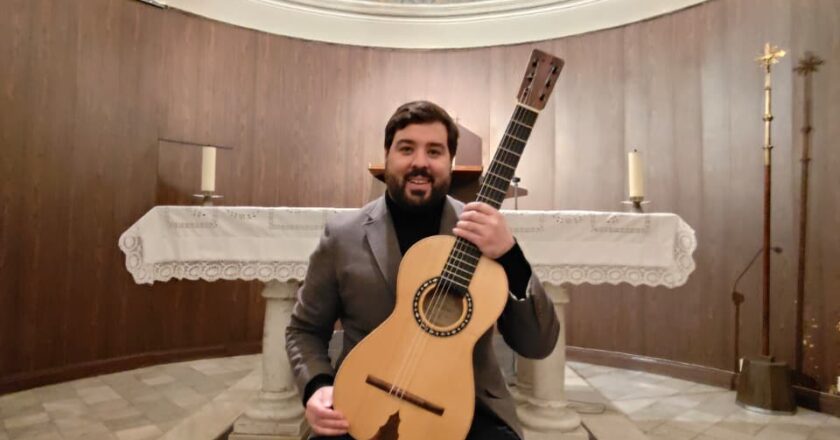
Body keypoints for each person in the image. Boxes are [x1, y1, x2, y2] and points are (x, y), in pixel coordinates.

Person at [285, 100, 559, 440]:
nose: (420, 163)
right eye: (406, 149)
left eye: (434, 151)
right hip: (363, 398)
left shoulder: (485, 236)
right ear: (387, 156)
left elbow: (538, 344)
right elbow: (304, 329)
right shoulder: (343, 235)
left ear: (450, 161)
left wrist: (510, 255)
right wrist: (317, 385)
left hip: (467, 407)